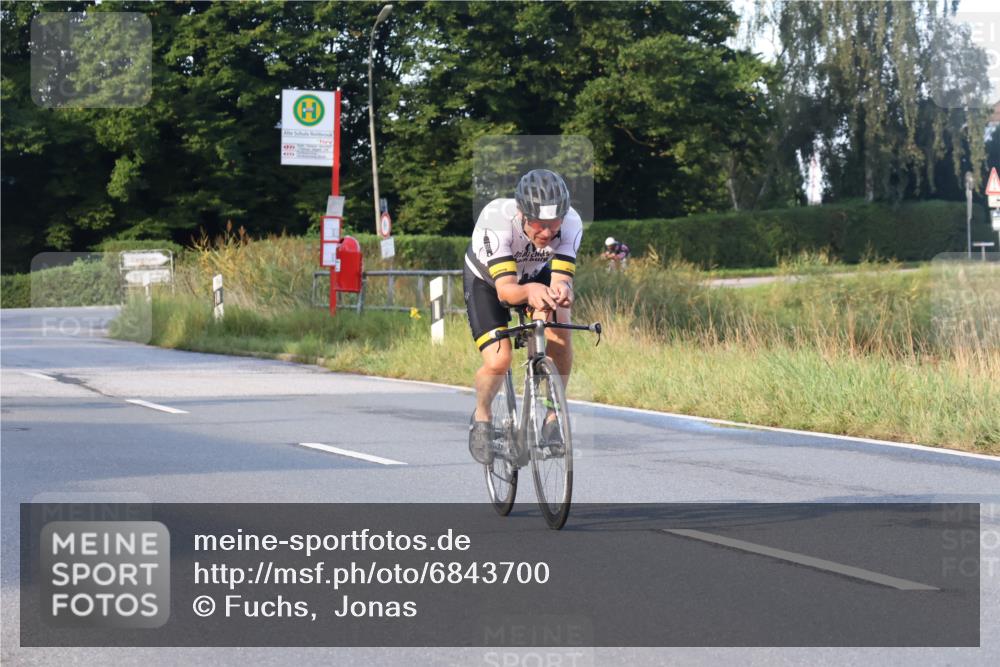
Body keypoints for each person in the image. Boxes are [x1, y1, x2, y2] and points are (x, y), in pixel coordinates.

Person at [464, 169, 582, 464]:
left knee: (560, 326)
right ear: (522, 214)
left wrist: (563, 290)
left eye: (554, 225)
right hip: (488, 281)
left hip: (534, 274)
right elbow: (506, 292)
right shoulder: (497, 221)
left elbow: (562, 279)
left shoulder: (571, 222)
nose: (547, 233)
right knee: (499, 360)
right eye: (539, 225)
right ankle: (482, 416)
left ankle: (553, 416)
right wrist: (530, 292)